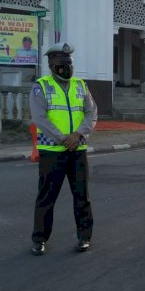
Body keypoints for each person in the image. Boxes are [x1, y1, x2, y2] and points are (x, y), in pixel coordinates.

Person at [29, 42, 97, 256]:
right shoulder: (41, 86)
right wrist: (62, 139)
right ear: (51, 65)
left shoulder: (80, 85)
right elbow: (39, 118)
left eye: (69, 62)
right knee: (46, 197)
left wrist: (78, 135)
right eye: (62, 63)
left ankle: (85, 236)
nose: (67, 67)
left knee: (82, 196)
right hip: (52, 153)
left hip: (77, 150)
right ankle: (39, 239)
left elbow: (91, 113)